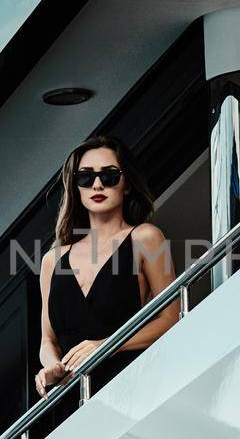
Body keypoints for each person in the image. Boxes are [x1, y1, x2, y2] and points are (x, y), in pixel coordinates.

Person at [35, 134, 178, 399]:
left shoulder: (145, 238)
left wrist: (105, 346)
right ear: (76, 188)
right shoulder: (52, 260)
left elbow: (170, 318)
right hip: (71, 396)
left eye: (109, 175)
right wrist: (51, 367)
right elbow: (48, 340)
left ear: (126, 184)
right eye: (86, 178)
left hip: (131, 385)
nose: (97, 185)